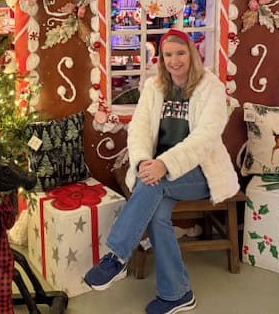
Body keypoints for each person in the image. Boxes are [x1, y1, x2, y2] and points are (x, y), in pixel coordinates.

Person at [84, 28, 239, 314]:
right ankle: (177, 294)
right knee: (156, 212)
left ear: (192, 54)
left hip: (201, 172)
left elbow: (205, 138)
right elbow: (139, 129)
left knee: (155, 184)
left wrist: (164, 164)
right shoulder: (154, 87)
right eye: (168, 54)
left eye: (180, 53)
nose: (174, 60)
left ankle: (117, 256)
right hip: (157, 172)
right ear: (161, 58)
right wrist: (143, 160)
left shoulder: (211, 88)